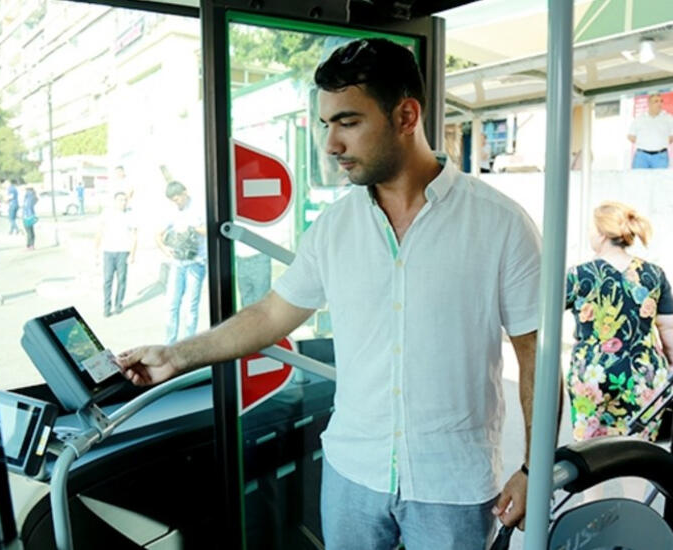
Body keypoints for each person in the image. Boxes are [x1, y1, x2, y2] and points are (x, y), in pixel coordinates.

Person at [118, 38, 541, 550]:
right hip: (351, 475)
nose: (330, 144)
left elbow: (535, 356)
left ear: (406, 116)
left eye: (348, 122)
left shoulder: (500, 224)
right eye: (326, 125)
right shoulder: (333, 228)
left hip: (452, 486)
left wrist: (534, 468)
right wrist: (176, 356)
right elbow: (271, 313)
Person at [565, 202, 673, 496]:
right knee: (638, 455)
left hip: (592, 378)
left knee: (590, 455)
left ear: (601, 232)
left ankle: (594, 513)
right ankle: (635, 513)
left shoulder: (579, 275)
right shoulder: (654, 274)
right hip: (644, 378)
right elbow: (668, 329)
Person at [157, 181, 206, 344]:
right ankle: (170, 343)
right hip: (177, 264)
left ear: (185, 192)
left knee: (191, 306)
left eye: (177, 199)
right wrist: (165, 249)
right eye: (173, 200)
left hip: (196, 263)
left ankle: (188, 344)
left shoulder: (199, 208)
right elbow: (157, 235)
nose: (176, 203)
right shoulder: (172, 212)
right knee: (172, 304)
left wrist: (192, 228)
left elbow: (209, 230)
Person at [96, 192, 137, 317]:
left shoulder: (130, 215)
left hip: (123, 252)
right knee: (107, 280)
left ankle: (118, 304)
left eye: (125, 200)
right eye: (120, 200)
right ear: (114, 201)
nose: (123, 202)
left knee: (121, 279)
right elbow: (99, 232)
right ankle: (106, 307)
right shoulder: (107, 214)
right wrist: (96, 251)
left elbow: (134, 236)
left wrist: (132, 254)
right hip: (108, 252)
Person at [628, 93, 673, 169]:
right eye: (656, 101)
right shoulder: (640, 119)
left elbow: (672, 136)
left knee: (660, 177)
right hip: (641, 156)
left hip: (660, 156)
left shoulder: (668, 118)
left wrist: (659, 143)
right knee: (638, 176)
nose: (659, 103)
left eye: (661, 101)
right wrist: (645, 143)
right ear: (649, 103)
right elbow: (631, 136)